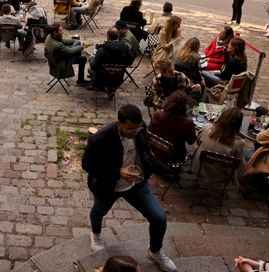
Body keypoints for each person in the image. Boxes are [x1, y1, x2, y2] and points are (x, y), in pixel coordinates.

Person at [82, 104, 177, 272]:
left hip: (136, 184)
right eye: (130, 129)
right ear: (119, 123)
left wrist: (149, 163)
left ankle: (155, 252)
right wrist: (117, 172)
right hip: (109, 186)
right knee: (98, 210)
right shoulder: (100, 138)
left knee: (159, 218)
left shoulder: (140, 129)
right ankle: (96, 235)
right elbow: (88, 165)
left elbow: (144, 148)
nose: (134, 132)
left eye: (137, 128)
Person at [191, 107, 246, 181]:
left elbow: (198, 142)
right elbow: (237, 164)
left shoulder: (206, 128)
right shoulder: (239, 143)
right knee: (242, 161)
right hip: (221, 176)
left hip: (200, 167)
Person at [148, 91, 197, 163]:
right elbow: (191, 141)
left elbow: (150, 130)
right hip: (174, 156)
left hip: (155, 149)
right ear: (185, 106)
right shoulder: (186, 122)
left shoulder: (157, 114)